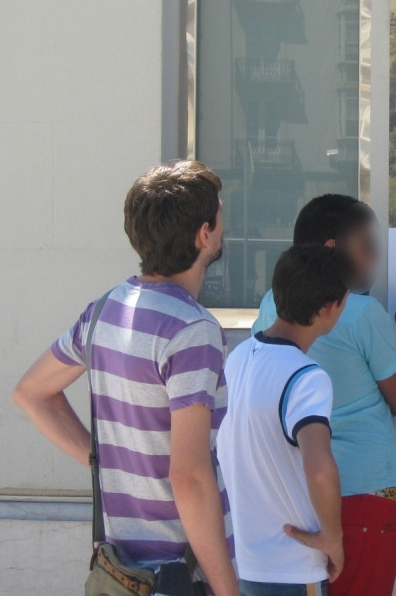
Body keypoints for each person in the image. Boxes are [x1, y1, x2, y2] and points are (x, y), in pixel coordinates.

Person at [12, 161, 239, 595]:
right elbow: (189, 477)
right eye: (221, 216)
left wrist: (105, 464)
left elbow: (32, 393)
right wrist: (228, 589)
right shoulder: (193, 330)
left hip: (117, 575)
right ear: (204, 234)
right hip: (175, 576)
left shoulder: (105, 309)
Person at [252, 194, 396, 596]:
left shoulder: (271, 307)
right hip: (363, 500)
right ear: (333, 252)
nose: (374, 256)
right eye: (365, 244)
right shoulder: (364, 313)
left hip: (296, 499)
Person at [218, 245, 349, 596]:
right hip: (293, 568)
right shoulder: (307, 377)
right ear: (329, 308)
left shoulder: (239, 356)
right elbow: (320, 468)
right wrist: (333, 539)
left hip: (240, 563)